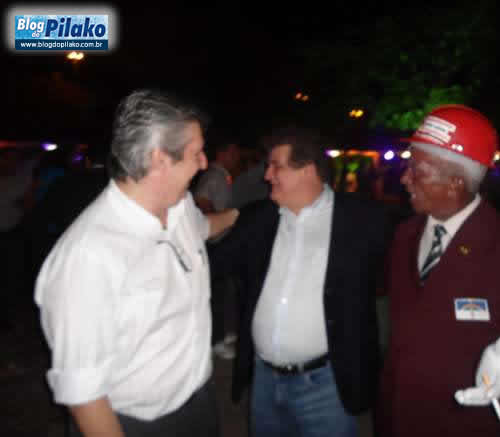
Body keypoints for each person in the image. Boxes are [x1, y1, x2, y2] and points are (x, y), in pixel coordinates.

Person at [34, 89, 237, 437]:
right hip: (136, 424)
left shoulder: (180, 207)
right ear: (159, 159)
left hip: (199, 401)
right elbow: (84, 395)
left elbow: (203, 228)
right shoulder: (89, 257)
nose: (204, 163)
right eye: (196, 153)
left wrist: (241, 216)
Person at [378, 105, 500, 437]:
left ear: (455, 183)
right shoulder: (404, 235)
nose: (405, 178)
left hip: (467, 424)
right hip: (397, 419)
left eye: (417, 170)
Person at [209, 126, 390, 437]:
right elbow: (211, 265)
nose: (267, 175)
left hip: (326, 387)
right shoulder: (261, 217)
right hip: (264, 382)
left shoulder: (361, 218)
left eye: (276, 166)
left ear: (307, 171)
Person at [193, 136, 241, 360]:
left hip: (219, 240)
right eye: (233, 152)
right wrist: (216, 224)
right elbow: (201, 201)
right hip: (214, 243)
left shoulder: (222, 176)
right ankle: (215, 341)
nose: (236, 157)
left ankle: (220, 334)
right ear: (222, 153)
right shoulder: (214, 176)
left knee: (222, 291)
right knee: (216, 293)